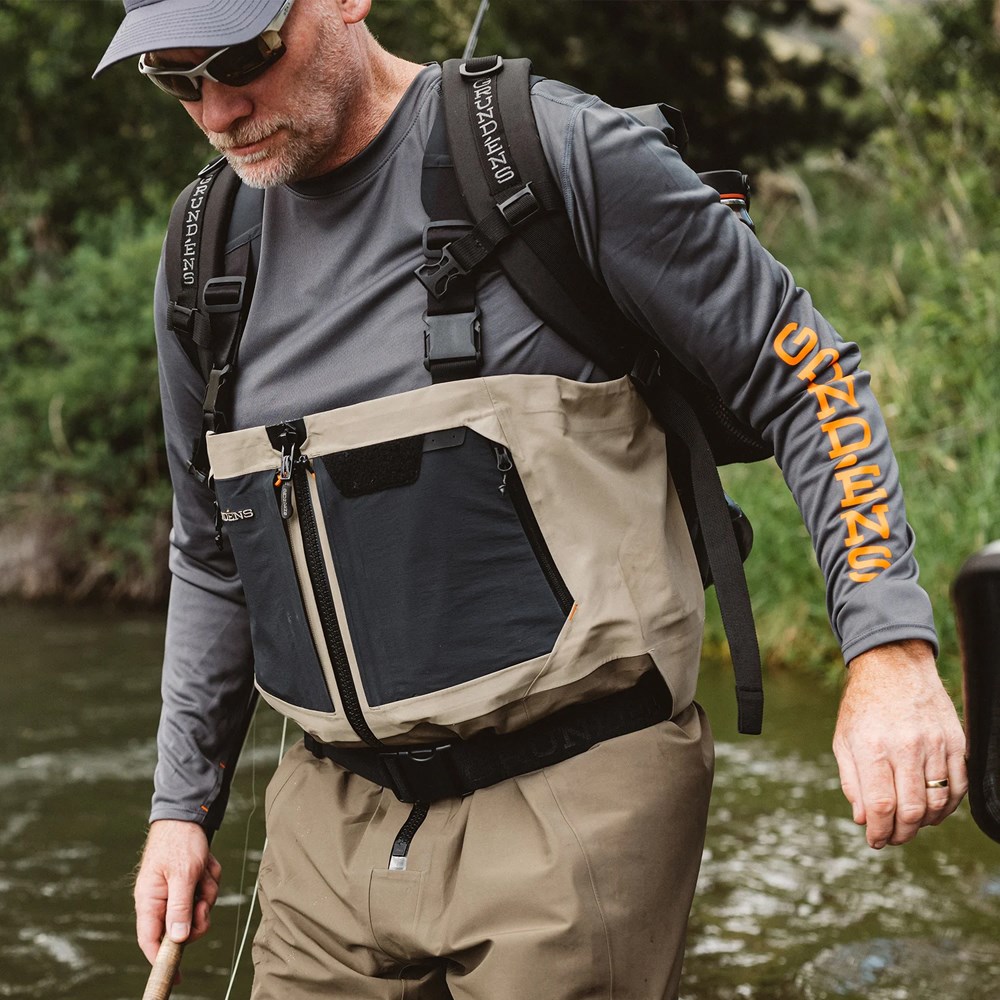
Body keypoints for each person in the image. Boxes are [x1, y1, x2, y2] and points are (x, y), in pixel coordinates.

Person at [95, 1, 968, 996]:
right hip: (327, 822)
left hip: (576, 790)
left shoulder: (548, 155)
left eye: (242, 56)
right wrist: (181, 807)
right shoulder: (204, 249)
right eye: (175, 78)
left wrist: (888, 649)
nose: (216, 110)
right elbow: (211, 550)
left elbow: (810, 381)